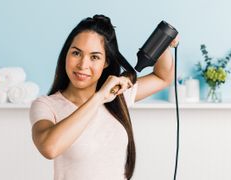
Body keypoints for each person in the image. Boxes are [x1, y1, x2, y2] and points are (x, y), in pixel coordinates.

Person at [29, 14, 179, 180]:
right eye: (76, 53)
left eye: (94, 57)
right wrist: (99, 98)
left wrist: (163, 44)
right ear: (66, 54)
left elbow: (163, 77)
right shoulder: (46, 105)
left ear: (106, 62)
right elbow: (50, 148)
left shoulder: (118, 96)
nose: (83, 65)